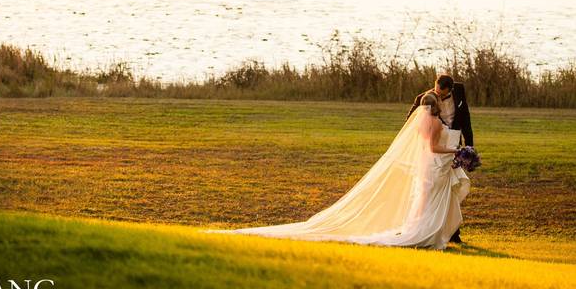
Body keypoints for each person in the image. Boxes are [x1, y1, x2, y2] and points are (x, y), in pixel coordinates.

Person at [203, 95, 471, 250]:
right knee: (427, 200)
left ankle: (422, 228)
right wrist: (455, 152)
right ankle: (424, 233)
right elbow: (434, 147)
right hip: (433, 164)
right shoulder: (434, 123)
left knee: (423, 200)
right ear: (435, 106)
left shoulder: (420, 123)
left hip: (425, 167)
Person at [406, 74, 474, 243]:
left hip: (453, 145)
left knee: (451, 190)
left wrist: (469, 147)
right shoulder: (424, 99)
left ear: (449, 90)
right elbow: (410, 123)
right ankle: (432, 230)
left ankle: (451, 232)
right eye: (436, 91)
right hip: (438, 151)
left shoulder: (459, 91)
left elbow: (466, 120)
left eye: (441, 93)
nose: (438, 95)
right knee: (438, 191)